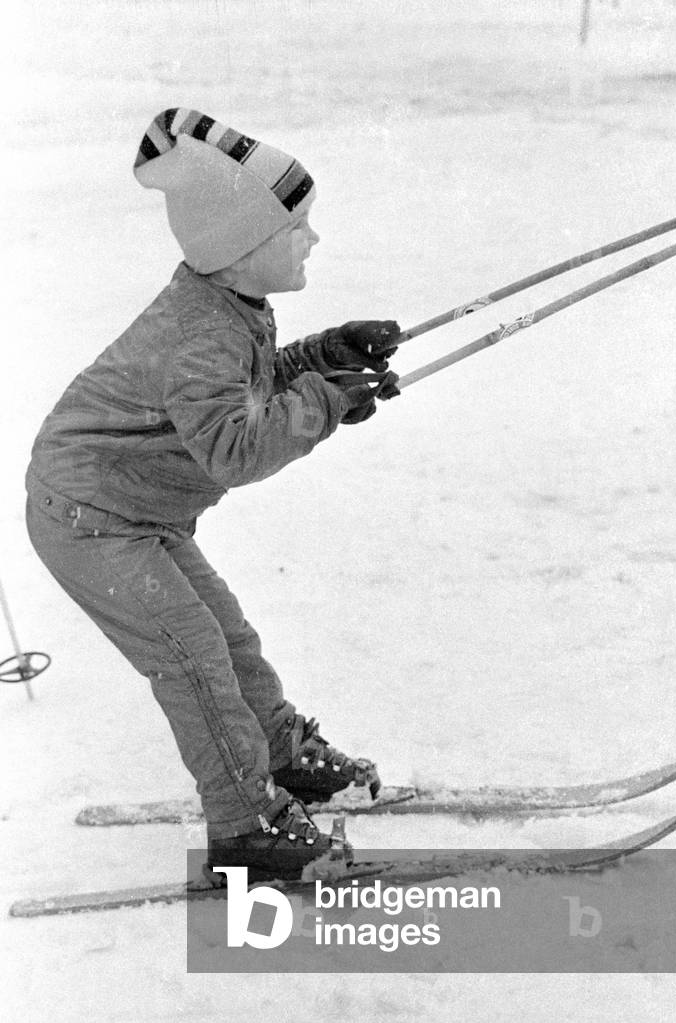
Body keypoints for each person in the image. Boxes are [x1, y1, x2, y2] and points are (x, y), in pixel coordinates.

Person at [25, 107, 400, 881]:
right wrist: (325, 401)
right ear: (240, 248)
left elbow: (251, 385)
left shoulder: (228, 306)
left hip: (135, 510)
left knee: (227, 637)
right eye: (296, 227)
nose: (313, 239)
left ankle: (278, 755)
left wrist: (325, 357)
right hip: (90, 518)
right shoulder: (202, 333)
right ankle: (245, 824)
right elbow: (234, 445)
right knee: (192, 658)